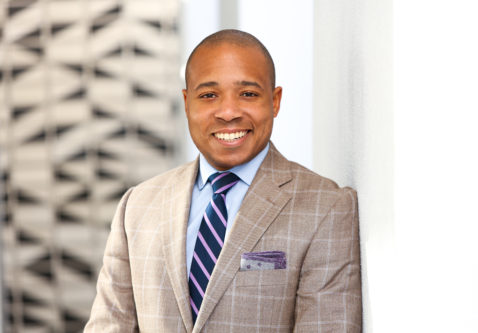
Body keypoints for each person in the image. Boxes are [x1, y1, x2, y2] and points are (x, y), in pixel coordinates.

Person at [85, 29, 362, 333]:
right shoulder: (137, 205)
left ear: (275, 101)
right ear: (187, 103)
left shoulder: (327, 208)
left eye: (248, 94)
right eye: (208, 95)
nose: (228, 112)